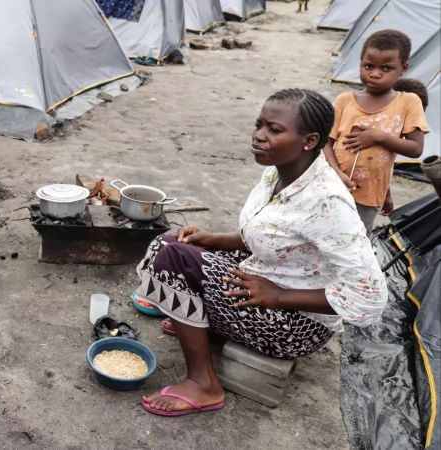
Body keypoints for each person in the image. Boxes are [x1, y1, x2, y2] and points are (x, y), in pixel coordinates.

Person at [137, 89, 388, 416]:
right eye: (259, 125)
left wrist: (279, 295)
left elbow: (371, 295)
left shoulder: (327, 202)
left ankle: (204, 385)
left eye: (274, 129)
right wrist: (213, 239)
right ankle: (197, 318)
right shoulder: (278, 172)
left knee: (171, 260)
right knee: (174, 243)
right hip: (265, 278)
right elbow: (273, 237)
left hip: (294, 325)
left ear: (309, 141)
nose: (259, 136)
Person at [323, 30, 429, 229]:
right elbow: (325, 142)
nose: (375, 73)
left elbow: (416, 148)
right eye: (368, 66)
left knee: (353, 242)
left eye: (386, 68)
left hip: (368, 196)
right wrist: (336, 172)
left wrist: (378, 137)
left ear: (403, 69)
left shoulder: (408, 102)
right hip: (332, 186)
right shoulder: (344, 100)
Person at [380, 78, 431, 214]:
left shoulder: (391, 134)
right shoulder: (378, 133)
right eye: (415, 118)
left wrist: (385, 193)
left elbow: (382, 166)